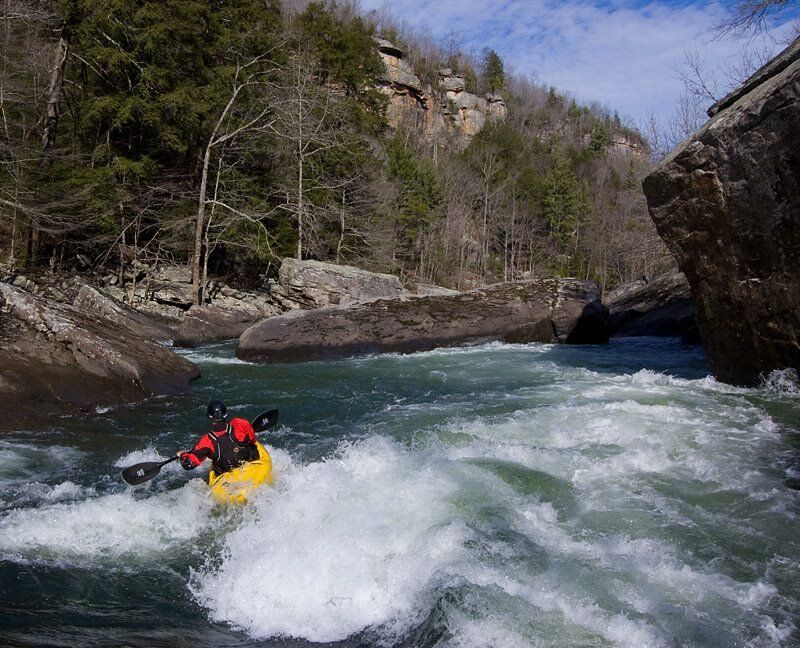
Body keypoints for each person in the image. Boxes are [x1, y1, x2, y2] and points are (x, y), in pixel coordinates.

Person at [178, 400, 260, 474]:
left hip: (228, 476)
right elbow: (252, 439)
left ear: (210, 417)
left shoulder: (207, 441)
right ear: (225, 414)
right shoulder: (240, 424)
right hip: (251, 467)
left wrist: (182, 455)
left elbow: (188, 464)